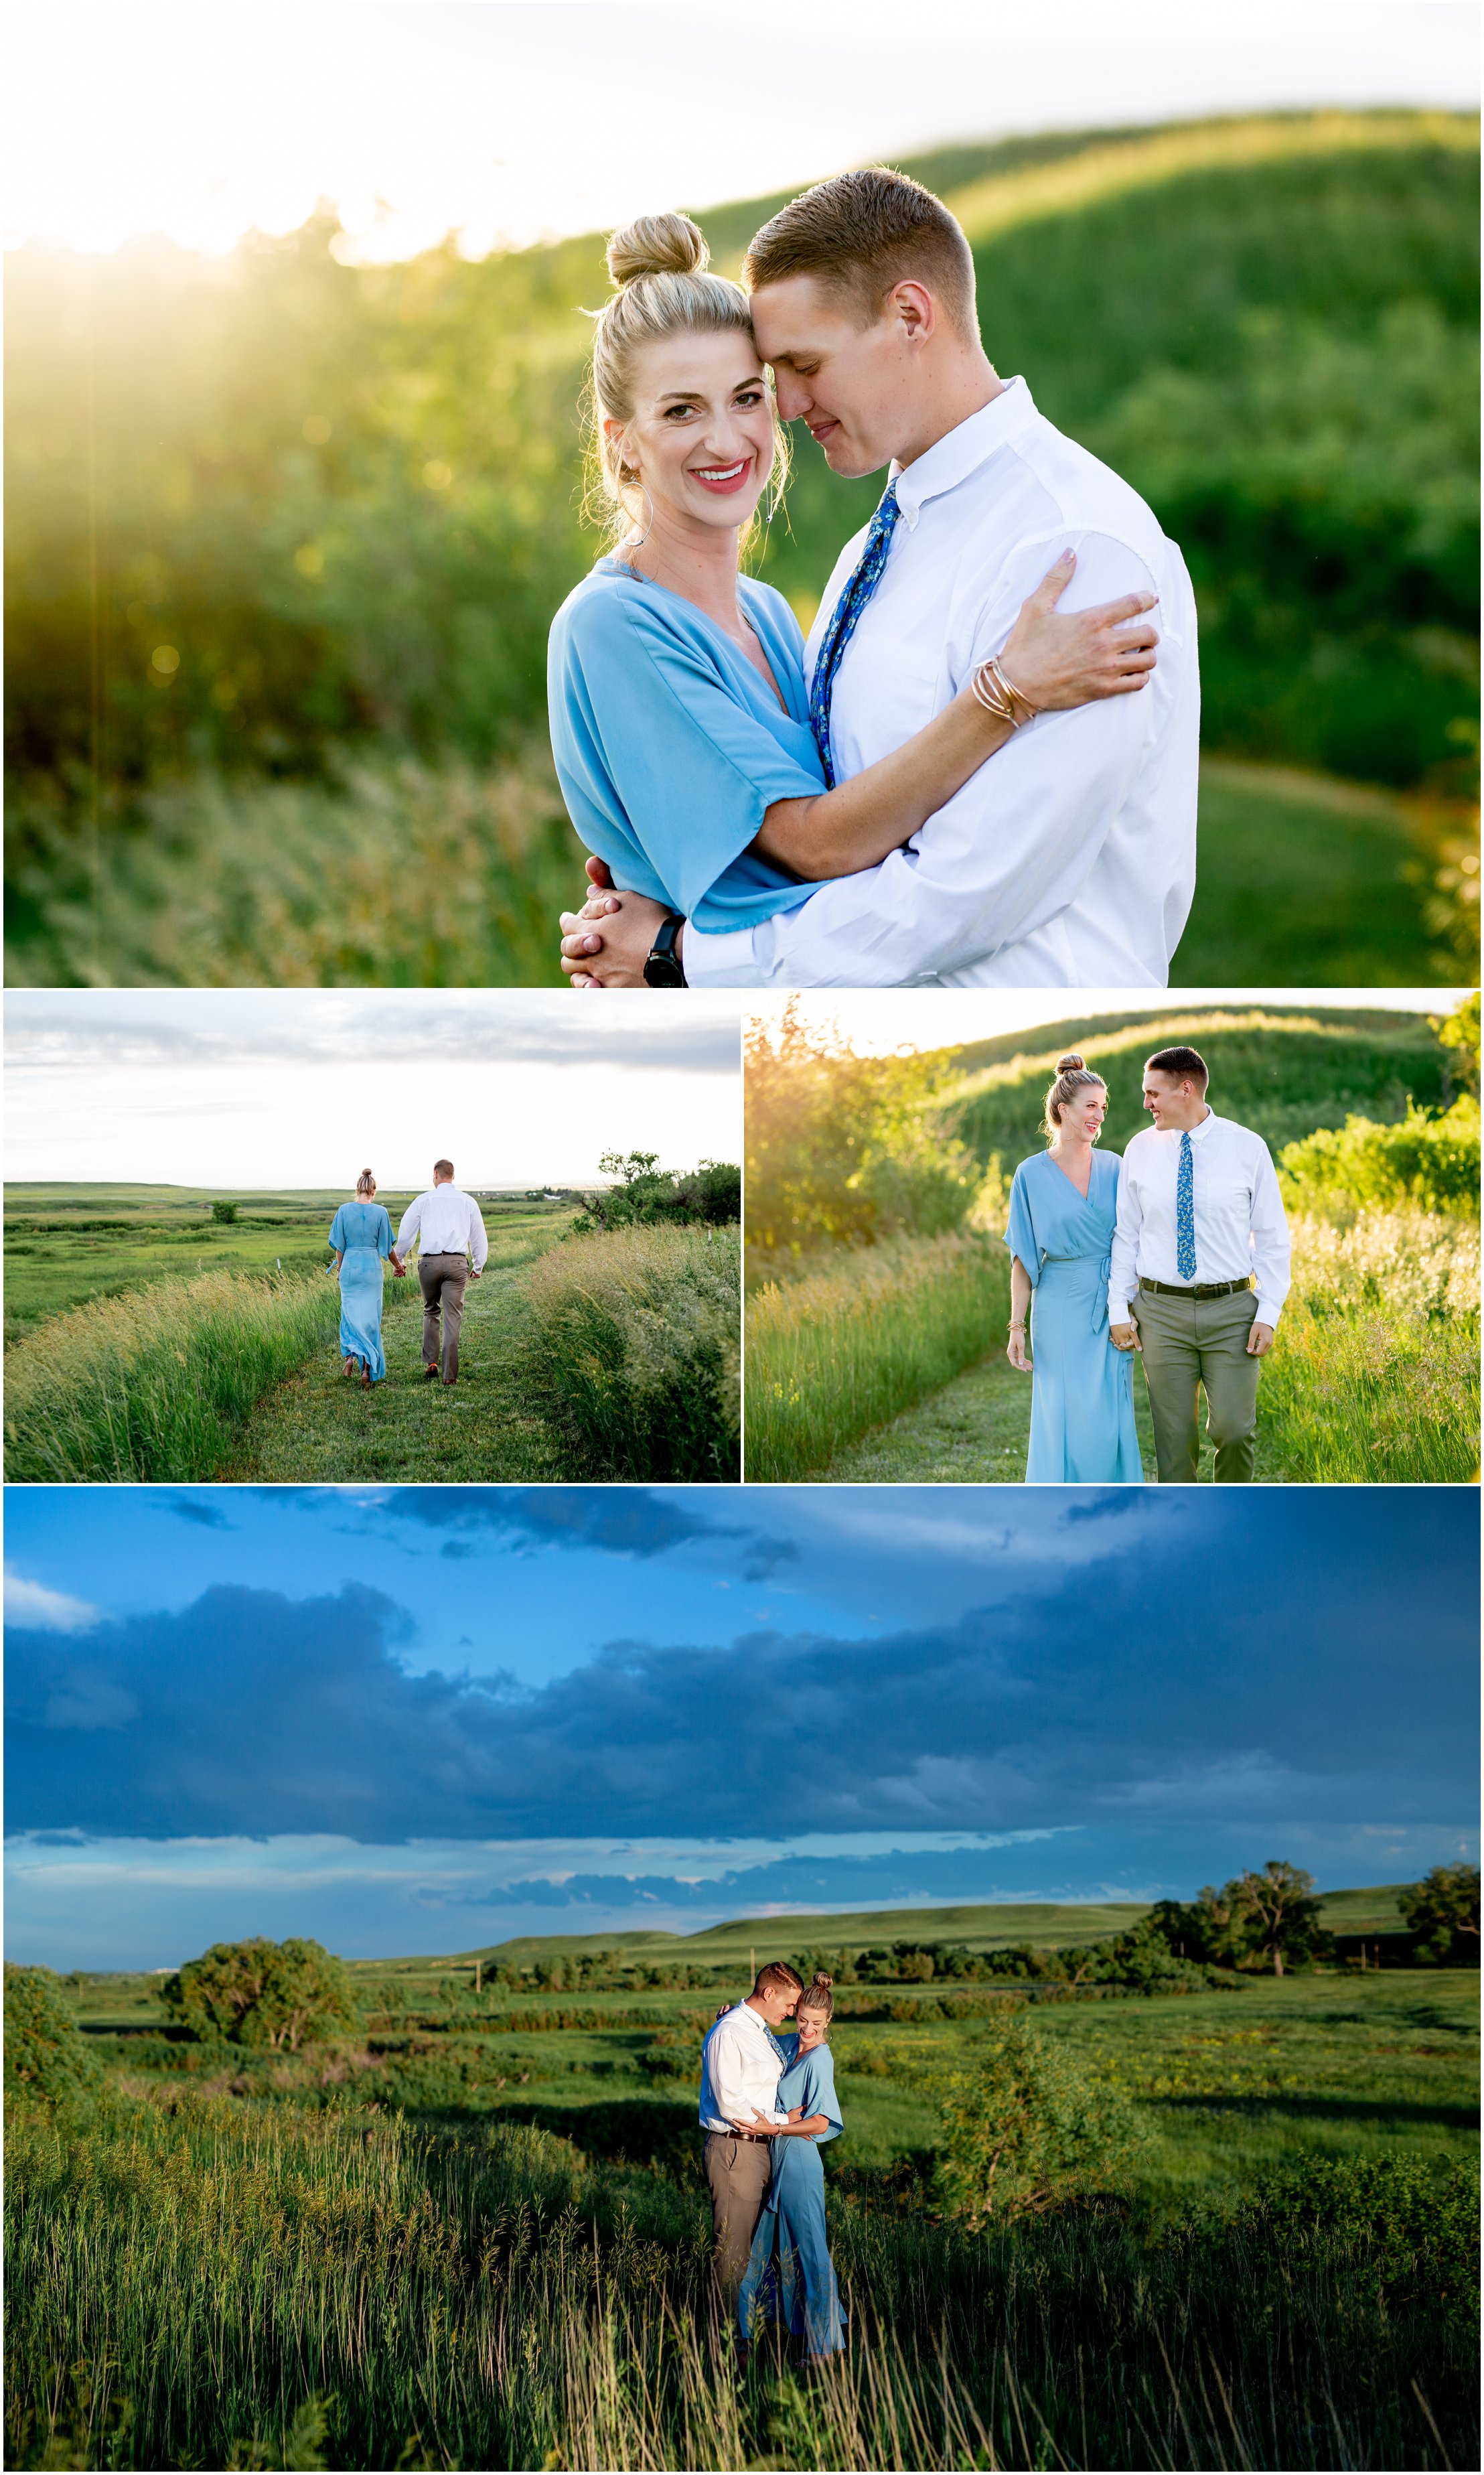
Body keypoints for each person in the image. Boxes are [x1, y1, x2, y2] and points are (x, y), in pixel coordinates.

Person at [558, 169, 1197, 991]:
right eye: (687, 407)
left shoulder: (1071, 548)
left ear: (908, 316)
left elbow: (964, 894)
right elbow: (813, 835)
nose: (782, 407)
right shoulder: (868, 551)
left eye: (797, 366)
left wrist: (681, 957)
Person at [1109, 1045, 1292, 1483]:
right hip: (1160, 1311)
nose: (1145, 1103)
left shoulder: (1248, 1148)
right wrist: (1120, 1307)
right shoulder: (1140, 1149)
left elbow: (1272, 1238)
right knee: (1173, 1439)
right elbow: (1126, 1234)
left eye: (1153, 1093)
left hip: (1231, 1311)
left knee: (1233, 1429)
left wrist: (1269, 1312)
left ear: (1185, 1089)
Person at [1005, 1056, 1142, 1484]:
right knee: (1063, 1408)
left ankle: (1114, 1501)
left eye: (1103, 1107)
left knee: (1109, 1408)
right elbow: (1024, 1259)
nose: (1099, 1117)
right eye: (1090, 1106)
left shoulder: (1117, 1166)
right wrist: (1016, 1326)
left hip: (1112, 1300)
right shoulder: (1029, 1174)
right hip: (1060, 1304)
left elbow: (1135, 1238)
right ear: (1063, 1109)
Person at [736, 1972, 846, 2364]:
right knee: (761, 2252)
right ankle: (747, 2337)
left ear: (827, 2023)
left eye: (817, 2025)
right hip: (775, 2160)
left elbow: (821, 2121)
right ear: (796, 2012)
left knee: (812, 2252)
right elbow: (756, 2035)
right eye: (802, 2020)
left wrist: (775, 2125)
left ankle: (823, 2349)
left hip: (800, 2164)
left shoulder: (820, 2058)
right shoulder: (789, 2045)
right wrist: (728, 2014)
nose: (808, 2030)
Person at [697, 1961, 802, 2349]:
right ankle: (722, 2348)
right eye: (789, 2005)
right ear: (769, 1993)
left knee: (755, 2252)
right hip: (736, 2149)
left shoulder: (755, 2029)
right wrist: (783, 2120)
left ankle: (749, 2336)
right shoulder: (730, 2032)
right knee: (732, 2256)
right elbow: (730, 2104)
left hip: (759, 2150)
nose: (790, 2014)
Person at [394, 1159, 488, 1387]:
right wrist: (478, 1266)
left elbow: (406, 1233)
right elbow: (478, 1237)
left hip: (429, 1264)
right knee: (453, 1316)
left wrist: (399, 1260)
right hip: (457, 1264)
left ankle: (432, 1364)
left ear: (435, 1175)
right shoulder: (468, 1202)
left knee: (431, 1310)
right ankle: (449, 1375)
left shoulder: (423, 1200)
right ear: (453, 1177)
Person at [327, 1171, 403, 1388]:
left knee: (349, 1314)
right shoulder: (381, 1212)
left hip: (350, 1267)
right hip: (371, 1269)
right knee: (371, 1318)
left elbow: (340, 1248)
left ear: (358, 1188)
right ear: (373, 1191)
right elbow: (387, 1249)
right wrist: (398, 1266)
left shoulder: (343, 1210)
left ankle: (350, 1359)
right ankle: (367, 1371)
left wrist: (341, 1269)